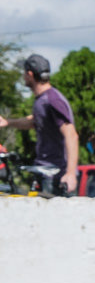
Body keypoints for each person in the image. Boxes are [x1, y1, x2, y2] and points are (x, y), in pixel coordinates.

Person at [0, 54, 78, 195]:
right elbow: (35, 121)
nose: (23, 76)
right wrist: (7, 122)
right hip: (45, 171)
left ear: (30, 74)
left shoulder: (53, 100)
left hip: (56, 174)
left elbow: (71, 134)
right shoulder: (42, 100)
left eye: (24, 73)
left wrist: (71, 173)